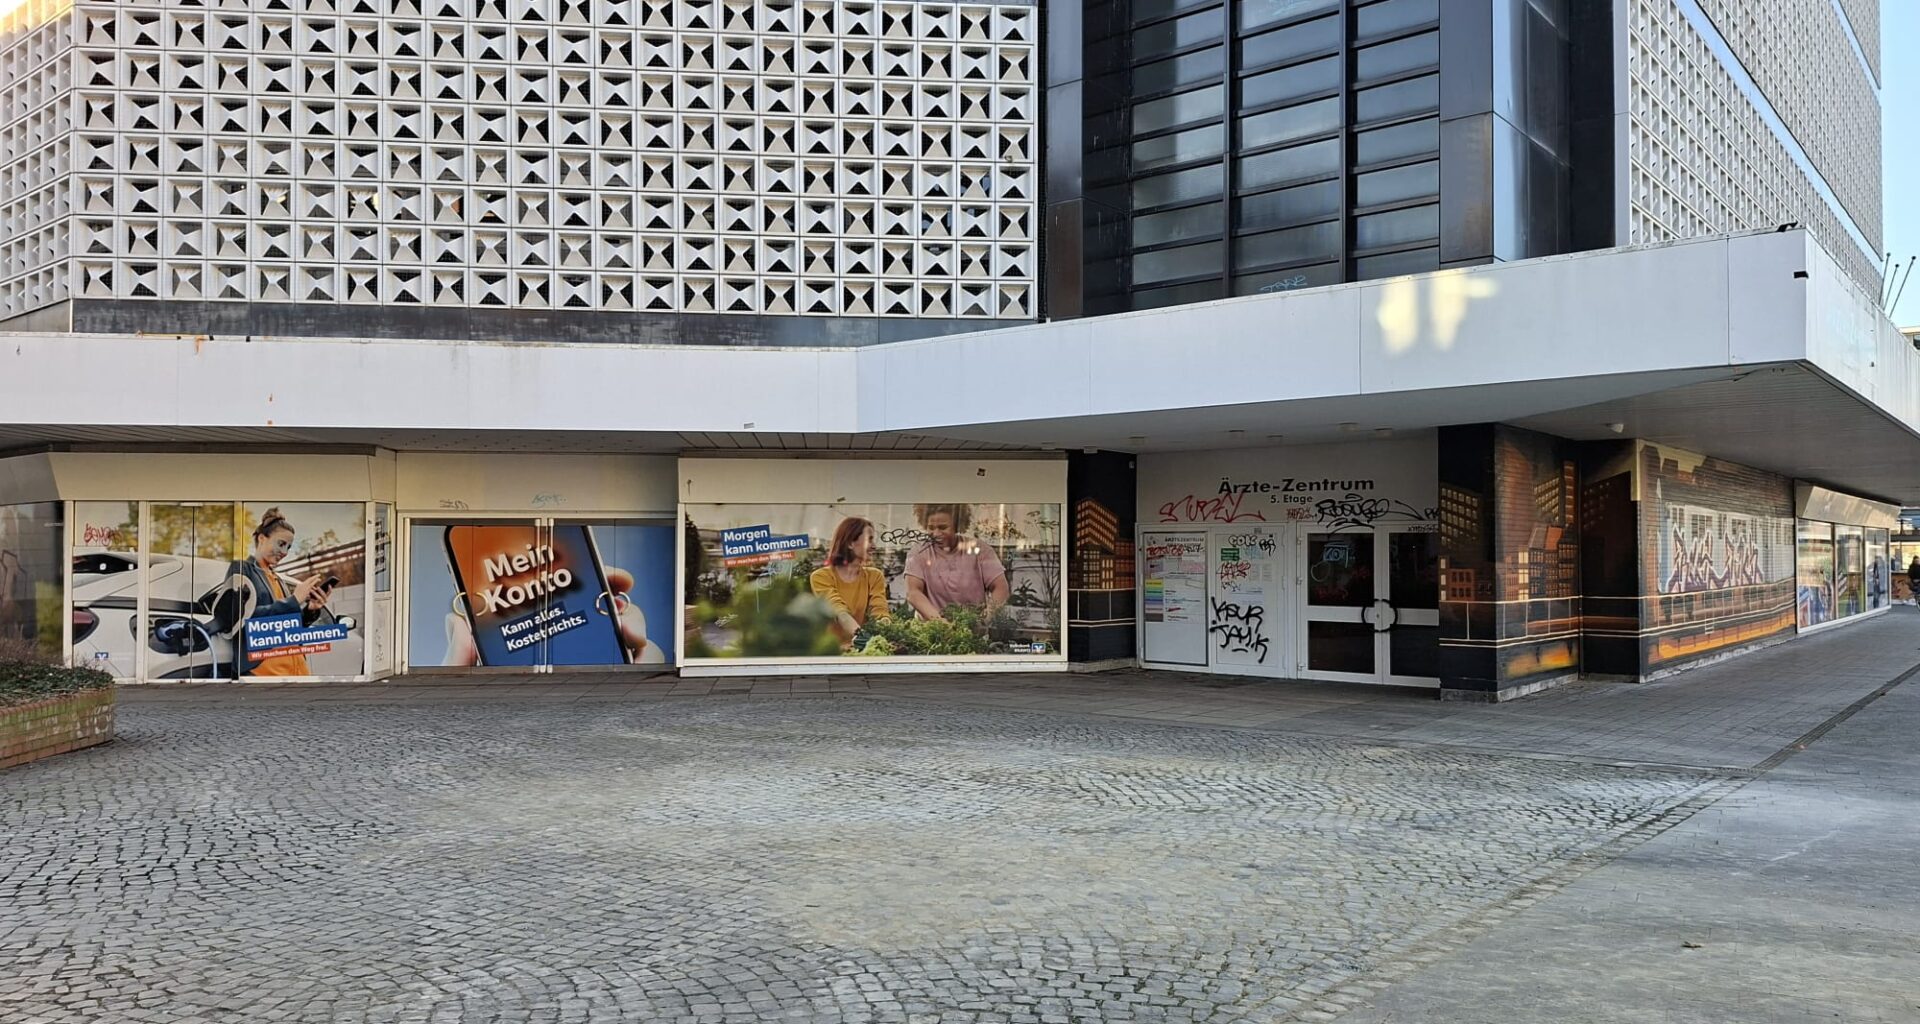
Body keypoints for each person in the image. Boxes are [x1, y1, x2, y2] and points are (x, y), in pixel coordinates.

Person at [226, 507, 334, 677]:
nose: (284, 552)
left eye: (288, 547)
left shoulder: (279, 579)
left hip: (298, 670)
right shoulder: (241, 569)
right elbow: (239, 617)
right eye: (281, 544)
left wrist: (311, 609)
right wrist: (294, 600)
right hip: (265, 671)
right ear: (262, 539)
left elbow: (287, 626)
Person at [904, 504, 1009, 620]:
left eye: (943, 527)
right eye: (931, 528)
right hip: (931, 627)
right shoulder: (918, 552)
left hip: (973, 626)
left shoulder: (980, 550)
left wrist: (987, 618)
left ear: (957, 526)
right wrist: (939, 622)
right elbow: (913, 592)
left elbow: (1000, 587)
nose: (936, 533)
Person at [808, 517, 890, 648]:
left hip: (863, 651)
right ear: (850, 543)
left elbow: (879, 611)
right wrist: (860, 635)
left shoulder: (874, 576)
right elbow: (838, 611)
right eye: (869, 539)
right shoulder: (821, 577)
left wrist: (884, 629)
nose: (874, 546)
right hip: (833, 651)